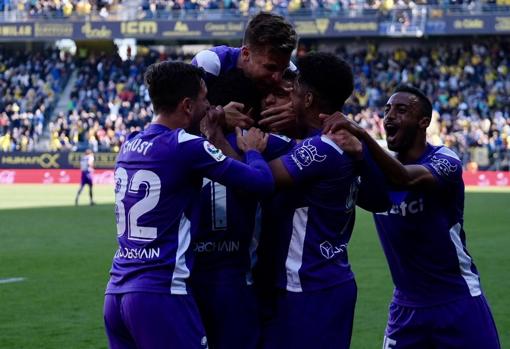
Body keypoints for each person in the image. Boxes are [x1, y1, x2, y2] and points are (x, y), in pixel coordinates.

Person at [103, 61, 276, 349]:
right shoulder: (186, 146)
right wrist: (253, 152)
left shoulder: (129, 143)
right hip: (161, 293)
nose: (210, 106)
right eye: (205, 99)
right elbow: (261, 183)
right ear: (186, 105)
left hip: (116, 294)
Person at [323, 84, 501, 349]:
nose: (389, 116)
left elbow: (404, 178)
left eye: (401, 110)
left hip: (458, 299)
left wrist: (362, 136)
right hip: (406, 308)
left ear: (423, 122)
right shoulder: (372, 166)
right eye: (387, 110)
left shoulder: (445, 159)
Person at [260, 52, 361, 349]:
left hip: (311, 284)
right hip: (325, 279)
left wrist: (240, 146)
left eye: (296, 88)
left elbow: (262, 178)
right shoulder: (346, 144)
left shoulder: (324, 147)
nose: (290, 94)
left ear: (308, 99)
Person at [191, 68, 296, 349]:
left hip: (186, 281)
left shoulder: (183, 143)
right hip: (238, 281)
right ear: (248, 110)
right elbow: (317, 150)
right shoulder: (262, 143)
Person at [192, 12, 298, 133]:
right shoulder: (210, 63)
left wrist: (298, 114)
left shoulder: (290, 70)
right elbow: (181, 117)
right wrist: (217, 117)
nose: (277, 78)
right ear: (246, 54)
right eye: (270, 68)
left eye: (283, 69)